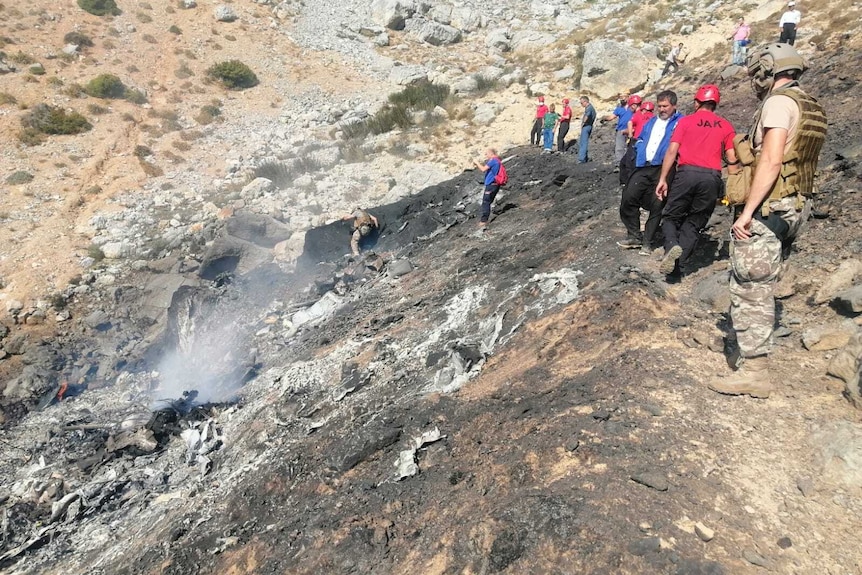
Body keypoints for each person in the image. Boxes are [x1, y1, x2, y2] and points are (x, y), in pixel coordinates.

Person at [709, 43, 826, 398]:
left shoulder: (778, 103)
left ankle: (755, 372)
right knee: (763, 283)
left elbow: (772, 160)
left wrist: (746, 213)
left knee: (750, 286)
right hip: (794, 207)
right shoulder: (811, 105)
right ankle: (756, 357)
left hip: (769, 208)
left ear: (767, 69)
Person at [655, 85, 738, 280]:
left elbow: (672, 151)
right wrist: (733, 189)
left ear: (696, 102)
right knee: (694, 222)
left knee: (670, 216)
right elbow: (732, 160)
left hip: (687, 173)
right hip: (711, 177)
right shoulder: (725, 126)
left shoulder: (686, 122)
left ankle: (671, 246)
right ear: (715, 104)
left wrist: (663, 179)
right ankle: (677, 269)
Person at [617, 91, 683, 251]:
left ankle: (647, 241)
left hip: (663, 167)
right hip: (644, 165)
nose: (662, 109)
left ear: (674, 106)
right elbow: (640, 137)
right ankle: (634, 235)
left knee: (657, 203)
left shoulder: (680, 122)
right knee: (628, 197)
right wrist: (639, 148)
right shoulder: (651, 121)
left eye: (665, 106)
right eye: (659, 106)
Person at [619, 100, 654, 185]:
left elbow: (630, 123)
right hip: (648, 142)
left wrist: (629, 134)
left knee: (629, 163)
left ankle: (628, 182)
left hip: (636, 141)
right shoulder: (654, 118)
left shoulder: (638, 115)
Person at [473, 148, 504, 229]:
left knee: (486, 202)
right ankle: (485, 219)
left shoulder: (493, 161)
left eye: (486, 154)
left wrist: (477, 163)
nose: (485, 156)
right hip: (496, 184)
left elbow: (483, 169)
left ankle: (483, 221)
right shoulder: (498, 160)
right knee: (488, 201)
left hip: (491, 184)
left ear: (491, 153)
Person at [577, 96, 596, 163]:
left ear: (585, 101)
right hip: (589, 126)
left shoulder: (589, 108)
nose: (581, 104)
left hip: (587, 126)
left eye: (581, 103)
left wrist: (583, 123)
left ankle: (581, 159)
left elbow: (587, 115)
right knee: (583, 142)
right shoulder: (590, 108)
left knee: (583, 142)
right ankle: (585, 157)